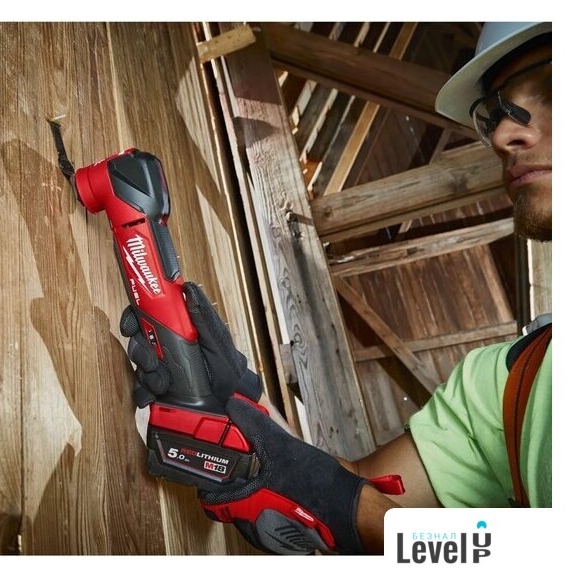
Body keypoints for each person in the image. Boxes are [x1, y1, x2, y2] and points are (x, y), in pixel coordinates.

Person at [120, 22, 551, 555]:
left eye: (551, 86)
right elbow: (356, 491)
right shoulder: (508, 381)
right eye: (495, 113)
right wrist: (244, 404)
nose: (505, 135)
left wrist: (357, 513)